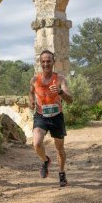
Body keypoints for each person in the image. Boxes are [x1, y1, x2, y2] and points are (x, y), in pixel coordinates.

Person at [28, 50, 73, 187]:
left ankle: (62, 173)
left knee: (60, 148)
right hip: (41, 116)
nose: (46, 64)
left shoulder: (60, 79)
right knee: (36, 143)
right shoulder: (35, 79)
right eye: (43, 61)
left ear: (53, 62)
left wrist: (60, 92)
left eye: (48, 61)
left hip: (56, 117)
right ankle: (45, 160)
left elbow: (70, 99)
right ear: (40, 63)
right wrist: (31, 101)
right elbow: (30, 92)